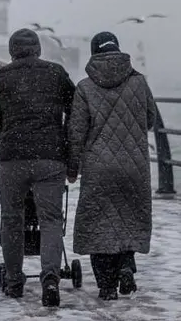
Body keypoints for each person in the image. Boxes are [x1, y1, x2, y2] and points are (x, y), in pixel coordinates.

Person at [0, 28, 76, 307]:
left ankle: (14, 281)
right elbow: (75, 109)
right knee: (51, 220)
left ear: (12, 51)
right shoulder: (56, 73)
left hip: (12, 159)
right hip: (50, 158)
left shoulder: (1, 77)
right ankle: (51, 279)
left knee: (12, 219)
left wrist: (9, 137)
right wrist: (61, 139)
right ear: (38, 49)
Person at [67, 31, 157, 300]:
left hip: (98, 168)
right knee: (128, 220)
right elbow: (150, 118)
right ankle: (126, 267)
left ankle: (107, 287)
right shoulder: (139, 82)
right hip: (134, 166)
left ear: (94, 53)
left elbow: (76, 133)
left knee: (99, 225)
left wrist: (72, 168)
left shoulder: (85, 87)